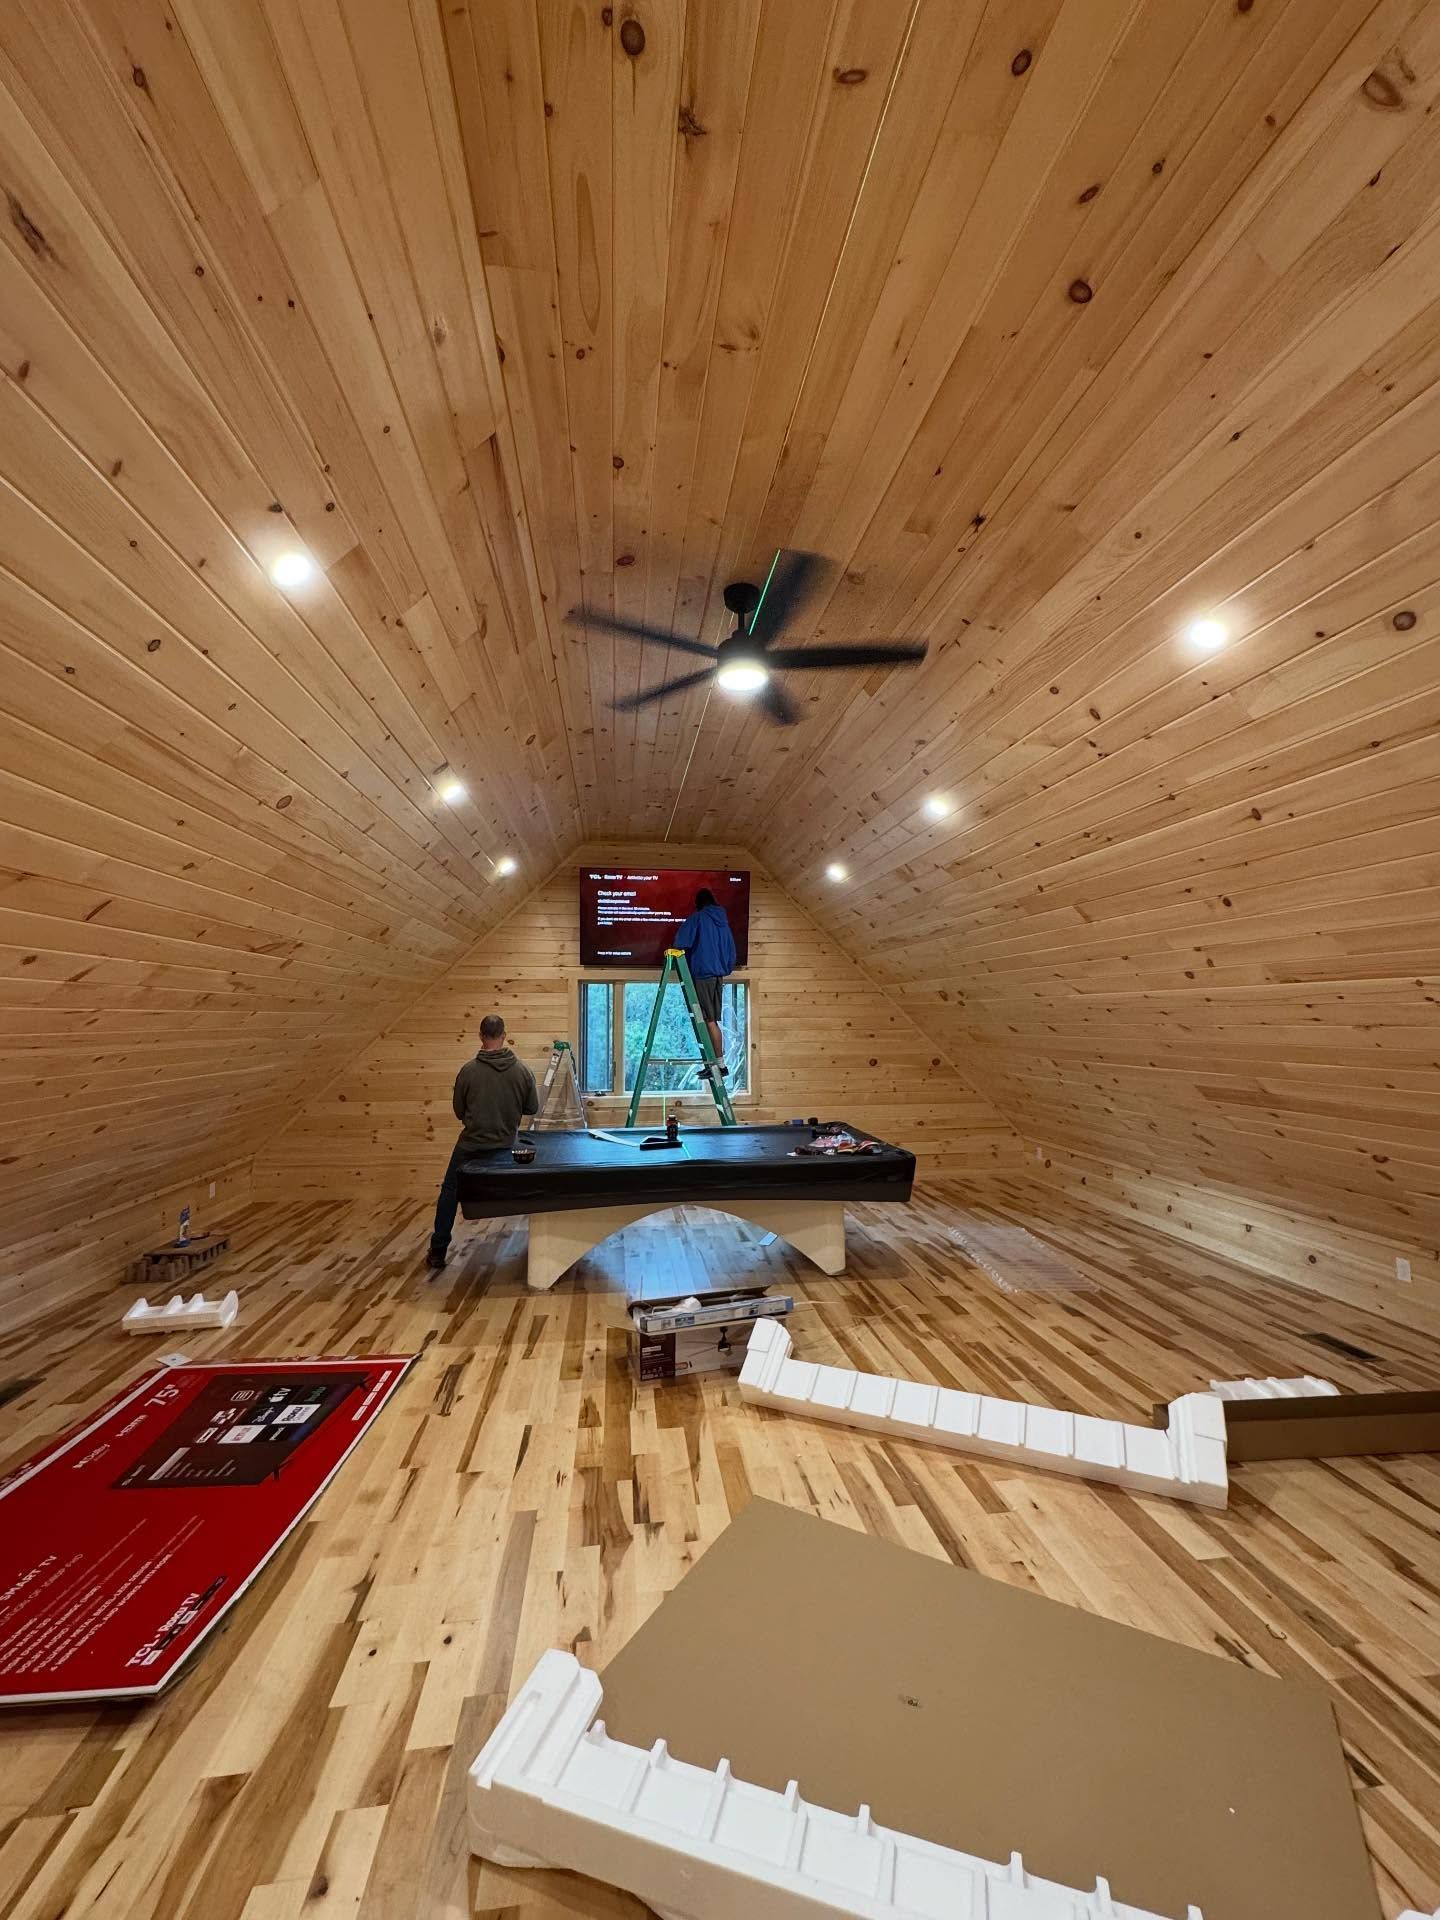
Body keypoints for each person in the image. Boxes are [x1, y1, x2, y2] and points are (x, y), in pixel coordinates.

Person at [427, 1014, 538, 1270]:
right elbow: (532, 1107)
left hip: (472, 1145)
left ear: (480, 1036)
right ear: (505, 1035)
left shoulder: (467, 1071)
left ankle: (437, 1251)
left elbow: (458, 1111)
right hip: (507, 1145)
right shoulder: (522, 1071)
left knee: (449, 1192)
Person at [673, 887, 737, 1072]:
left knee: (709, 1021)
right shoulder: (723, 922)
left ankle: (719, 1065)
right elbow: (730, 951)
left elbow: (680, 942)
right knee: (711, 1020)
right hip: (718, 976)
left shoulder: (699, 918)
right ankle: (717, 1064)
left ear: (698, 903)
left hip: (703, 974)